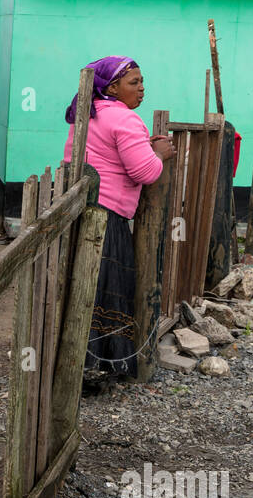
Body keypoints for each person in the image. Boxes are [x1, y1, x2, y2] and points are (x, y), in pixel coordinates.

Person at [62, 56, 176, 386]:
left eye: (142, 82)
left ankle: (76, 365)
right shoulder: (125, 120)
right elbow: (145, 171)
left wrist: (146, 148)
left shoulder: (90, 114)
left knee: (84, 288)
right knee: (106, 292)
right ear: (112, 87)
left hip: (81, 210)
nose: (142, 88)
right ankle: (98, 369)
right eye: (134, 82)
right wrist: (161, 155)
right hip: (108, 217)